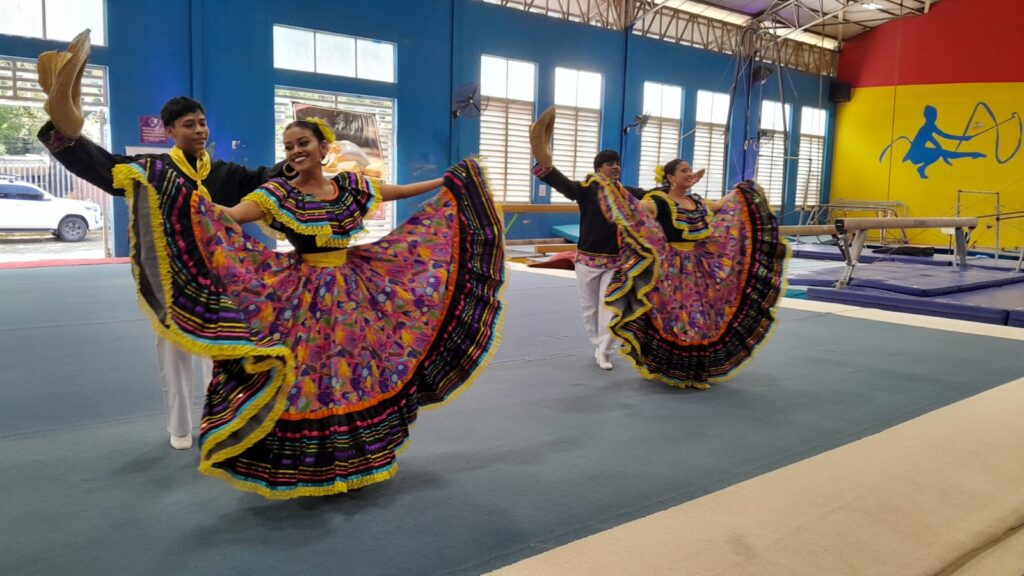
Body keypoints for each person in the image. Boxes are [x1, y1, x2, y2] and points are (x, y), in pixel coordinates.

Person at [112, 115, 504, 498]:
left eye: (303, 143)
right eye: (289, 146)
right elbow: (230, 216)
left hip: (353, 292)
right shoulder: (278, 194)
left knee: (354, 373)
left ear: (323, 148)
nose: (296, 151)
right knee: (308, 377)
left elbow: (397, 191)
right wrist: (180, 198)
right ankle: (312, 467)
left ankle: (356, 460)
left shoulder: (349, 186)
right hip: (304, 298)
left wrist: (448, 182)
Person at [35, 32, 283, 450]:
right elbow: (104, 168)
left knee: (223, 350)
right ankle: (180, 428)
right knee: (173, 354)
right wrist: (67, 137)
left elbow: (264, 180)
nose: (199, 130)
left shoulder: (225, 173)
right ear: (169, 131)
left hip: (221, 277)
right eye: (189, 124)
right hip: (171, 279)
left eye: (202, 122)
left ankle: (221, 419)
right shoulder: (151, 170)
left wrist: (297, 162)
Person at [595, 158, 787, 389]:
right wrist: (611, 189)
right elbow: (635, 211)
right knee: (677, 320)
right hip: (670, 272)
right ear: (670, 177)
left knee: (701, 320)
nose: (689, 173)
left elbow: (720, 205)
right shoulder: (658, 201)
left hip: (698, 269)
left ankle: (695, 371)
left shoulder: (696, 201)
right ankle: (676, 370)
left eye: (690, 170)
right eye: (683, 170)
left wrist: (742, 190)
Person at [529, 107, 646, 371]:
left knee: (610, 306)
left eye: (617, 163)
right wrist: (546, 164)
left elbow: (652, 196)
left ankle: (605, 350)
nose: (616, 167)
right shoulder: (586, 189)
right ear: (598, 168)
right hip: (587, 261)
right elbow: (563, 184)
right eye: (610, 163)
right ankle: (598, 344)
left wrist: (674, 186)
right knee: (590, 308)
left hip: (616, 262)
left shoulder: (626, 192)